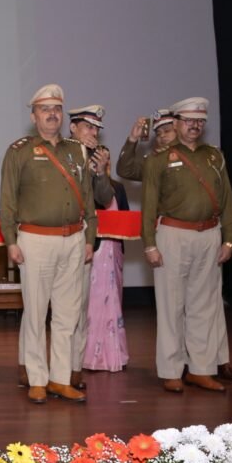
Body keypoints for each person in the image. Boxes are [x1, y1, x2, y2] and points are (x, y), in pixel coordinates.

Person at [0, 84, 95, 404]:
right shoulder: (19, 151)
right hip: (35, 240)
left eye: (56, 109)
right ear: (33, 116)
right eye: (45, 109)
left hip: (73, 239)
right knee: (37, 312)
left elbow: (89, 202)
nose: (52, 114)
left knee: (68, 315)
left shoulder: (77, 150)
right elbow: (9, 201)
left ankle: (60, 378)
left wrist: (89, 238)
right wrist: (10, 241)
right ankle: (37, 379)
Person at [142, 96, 232, 393]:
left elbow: (227, 201)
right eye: (188, 121)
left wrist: (230, 239)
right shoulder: (159, 159)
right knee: (172, 307)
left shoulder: (214, 156)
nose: (194, 126)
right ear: (177, 123)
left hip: (210, 235)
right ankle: (171, 370)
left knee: (205, 306)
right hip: (172, 235)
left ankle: (201, 369)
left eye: (199, 121)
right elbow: (148, 205)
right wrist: (149, 244)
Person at [66, 106, 114, 391]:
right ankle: (36, 369)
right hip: (53, 236)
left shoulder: (95, 158)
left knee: (79, 308)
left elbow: (104, 199)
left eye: (97, 128)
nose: (93, 133)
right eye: (88, 127)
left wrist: (100, 173)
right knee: (46, 310)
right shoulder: (60, 153)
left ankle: (74, 369)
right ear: (73, 128)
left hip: (82, 235)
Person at [81, 144, 130, 372]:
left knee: (114, 302)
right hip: (95, 250)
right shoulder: (87, 186)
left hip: (114, 250)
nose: (103, 163)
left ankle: (115, 354)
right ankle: (91, 355)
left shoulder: (118, 188)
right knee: (93, 304)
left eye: (106, 159)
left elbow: (126, 218)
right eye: (98, 160)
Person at [116, 109, 178, 181]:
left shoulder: (191, 156)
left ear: (179, 131)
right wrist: (133, 138)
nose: (162, 136)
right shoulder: (153, 163)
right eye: (158, 134)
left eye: (167, 131)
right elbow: (125, 171)